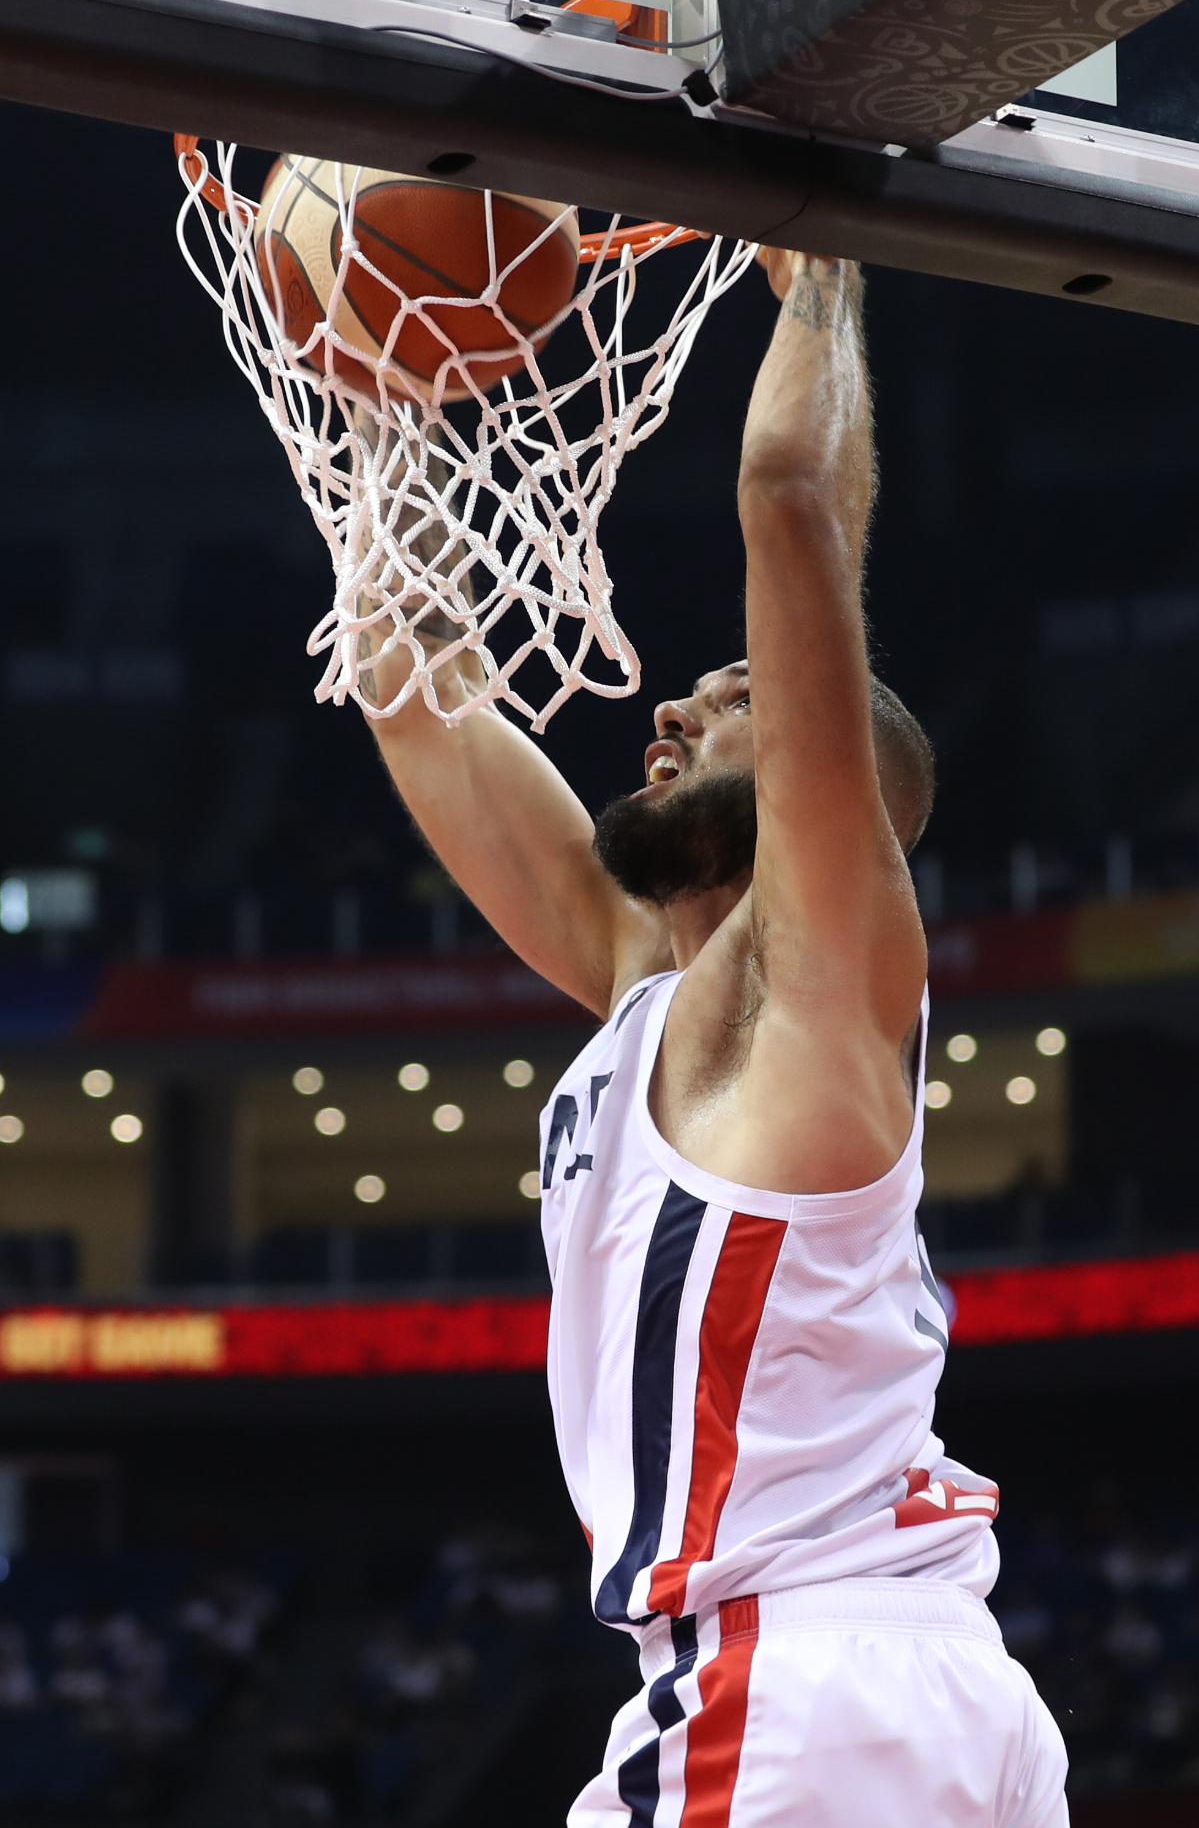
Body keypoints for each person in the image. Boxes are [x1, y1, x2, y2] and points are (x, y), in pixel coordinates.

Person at [362, 250, 1068, 1826]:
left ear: (835, 781)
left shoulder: (823, 988)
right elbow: (414, 694)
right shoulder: (655, 987)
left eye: (732, 696)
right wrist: (378, 392)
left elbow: (790, 500)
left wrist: (820, 268)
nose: (670, 715)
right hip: (887, 1679)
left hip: (797, 1677)